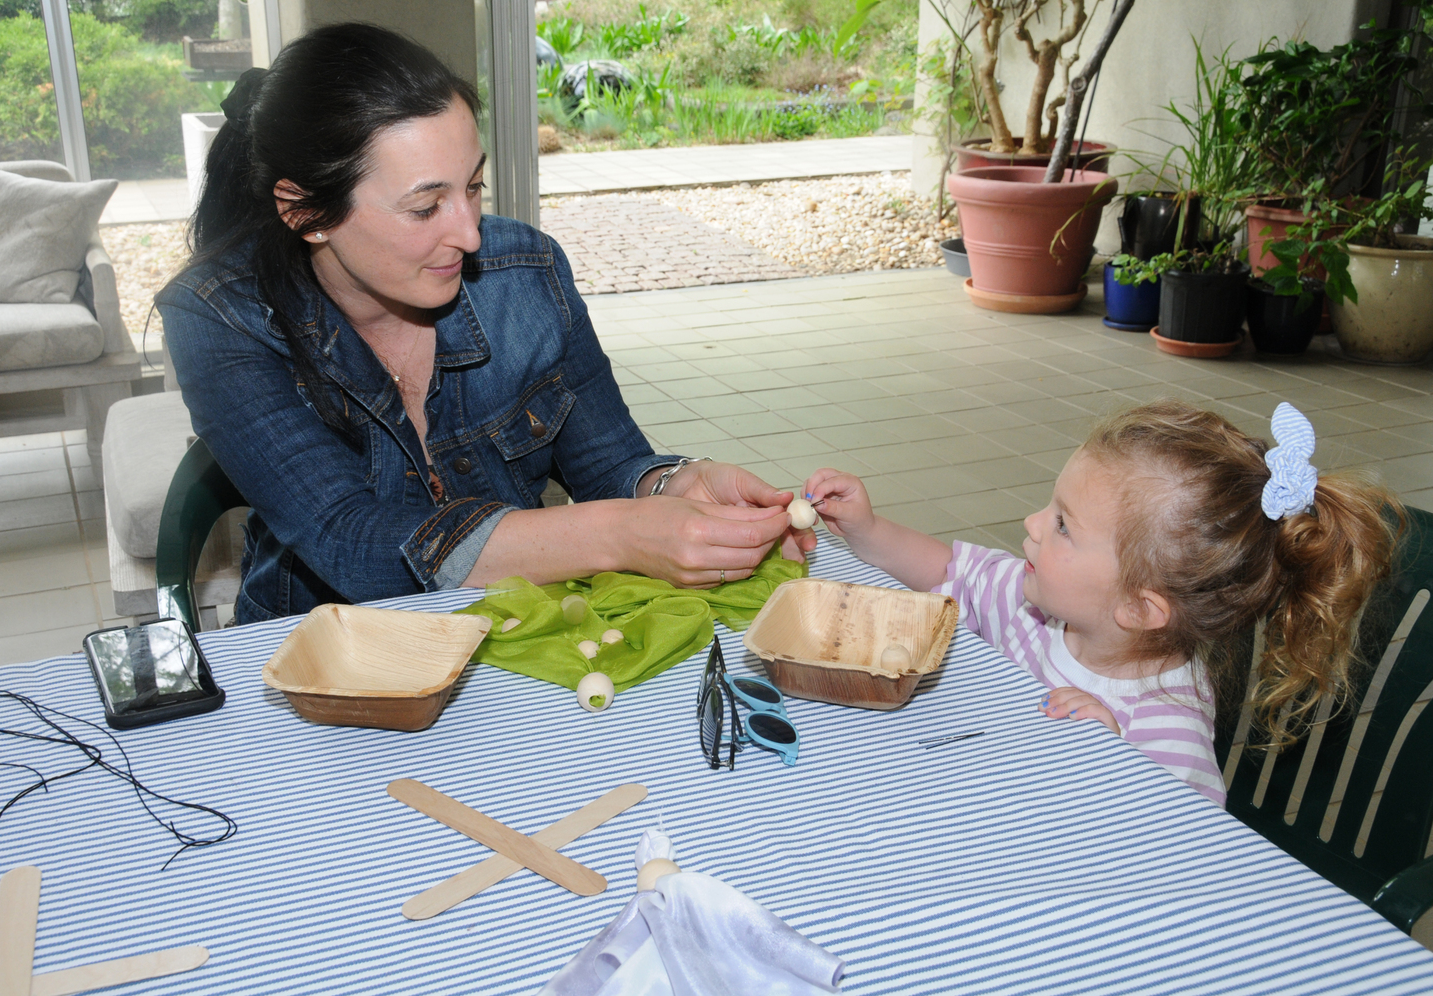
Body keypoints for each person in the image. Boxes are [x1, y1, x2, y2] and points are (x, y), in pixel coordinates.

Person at [158, 24, 802, 625]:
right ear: (304, 211)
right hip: (325, 656)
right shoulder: (221, 318)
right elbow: (350, 542)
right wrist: (622, 533)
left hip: (520, 632)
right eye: (425, 207)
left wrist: (676, 484)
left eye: (473, 186)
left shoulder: (524, 272)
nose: (468, 233)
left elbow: (612, 464)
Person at [795, 400, 1402, 804]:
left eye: (1063, 525)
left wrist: (1114, 767)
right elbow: (950, 569)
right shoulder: (1034, 608)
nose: (1031, 523)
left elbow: (1178, 862)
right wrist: (868, 530)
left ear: (1140, 609)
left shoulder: (1168, 737)